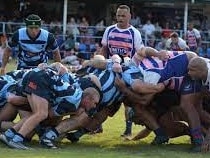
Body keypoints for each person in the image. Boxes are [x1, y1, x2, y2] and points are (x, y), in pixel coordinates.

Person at [100, 4, 144, 137]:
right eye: (118, 15)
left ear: (129, 16)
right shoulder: (109, 30)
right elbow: (104, 49)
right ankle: (97, 126)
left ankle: (128, 129)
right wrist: (101, 61)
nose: (120, 18)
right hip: (110, 68)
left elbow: (140, 52)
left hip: (127, 70)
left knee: (127, 100)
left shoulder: (134, 33)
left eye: (123, 16)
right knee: (101, 96)